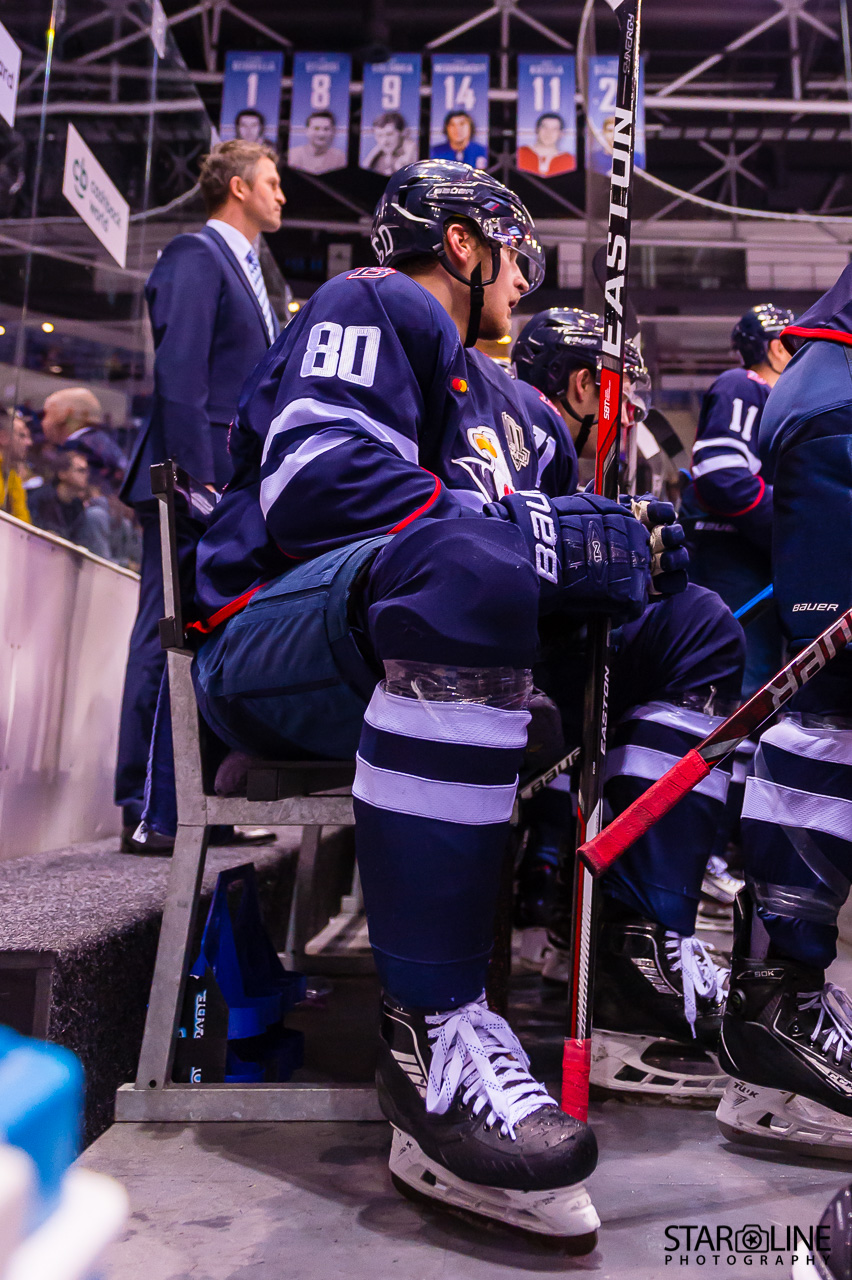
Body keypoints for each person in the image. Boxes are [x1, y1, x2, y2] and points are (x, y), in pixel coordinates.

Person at [185, 160, 733, 1238]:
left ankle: (634, 955)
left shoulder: (526, 413)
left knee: (696, 626)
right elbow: (316, 486)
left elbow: (547, 564)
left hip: (430, 631)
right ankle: (430, 1030)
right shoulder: (373, 302)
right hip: (275, 642)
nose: (525, 278)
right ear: (463, 242)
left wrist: (627, 558)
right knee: (469, 564)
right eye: (514, 251)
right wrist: (537, 537)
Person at [513, 307, 743, 1099]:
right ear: (585, 385)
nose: (635, 412)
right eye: (624, 393)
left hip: (483, 663)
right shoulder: (528, 429)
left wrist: (628, 567)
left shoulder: (532, 438)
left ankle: (613, 928)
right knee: (699, 631)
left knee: (688, 619)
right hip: (462, 678)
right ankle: (636, 952)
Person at [713, 264, 852, 1161]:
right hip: (840, 408)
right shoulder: (740, 387)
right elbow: (723, 477)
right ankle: (778, 1010)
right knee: (835, 708)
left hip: (832, 397)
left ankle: (778, 1012)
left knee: (833, 712)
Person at [115, 139, 285, 850]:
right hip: (190, 483)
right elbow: (179, 373)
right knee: (166, 633)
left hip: (225, 488)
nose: (282, 195)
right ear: (238, 187)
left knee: (204, 639)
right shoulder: (196, 253)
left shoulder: (252, 273)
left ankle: (195, 803)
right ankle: (143, 805)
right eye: (271, 182)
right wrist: (195, 480)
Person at [681, 304, 793, 699]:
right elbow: (722, 476)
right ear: (777, 348)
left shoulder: (774, 401)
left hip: (749, 561)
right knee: (737, 692)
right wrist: (794, 525)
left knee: (758, 688)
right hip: (729, 561)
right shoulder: (744, 385)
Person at [28, 450, 93, 544]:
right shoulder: (40, 498)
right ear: (62, 474)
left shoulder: (78, 507)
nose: (86, 475)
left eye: (87, 471)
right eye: (81, 470)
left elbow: (78, 541)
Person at [288, 110, 347, 174]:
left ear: (333, 132)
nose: (321, 134)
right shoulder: (292, 156)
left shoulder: (340, 158)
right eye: (316, 128)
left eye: (326, 129)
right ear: (306, 130)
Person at [517, 113, 576, 177]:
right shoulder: (520, 153)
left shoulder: (569, 160)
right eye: (544, 127)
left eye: (554, 129)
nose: (548, 133)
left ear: (561, 134)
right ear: (537, 129)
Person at [0, 410, 32, 523]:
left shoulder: (12, 474)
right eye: (22, 436)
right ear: (3, 437)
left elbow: (22, 521)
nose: (29, 442)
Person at [363, 111, 418, 176]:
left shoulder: (414, 154)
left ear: (402, 132)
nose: (384, 141)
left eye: (390, 134)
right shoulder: (378, 160)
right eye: (379, 135)